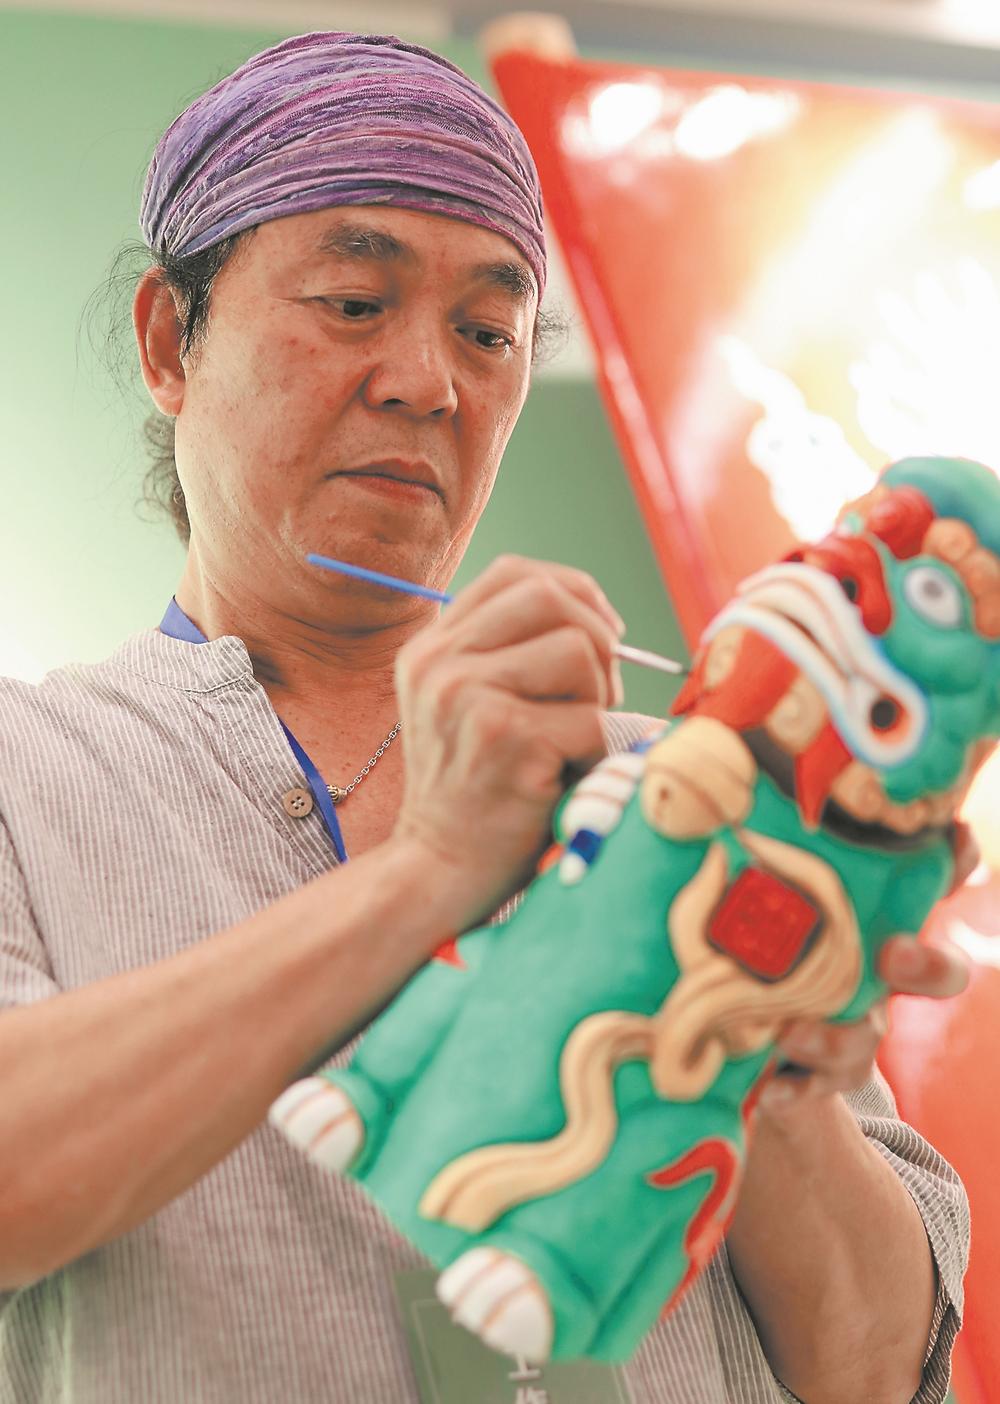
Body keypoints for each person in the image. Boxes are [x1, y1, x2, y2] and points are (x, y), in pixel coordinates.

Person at [0, 30, 969, 1404]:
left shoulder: (671, 794)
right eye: (353, 301)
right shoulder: (31, 773)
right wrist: (433, 873)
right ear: (171, 341)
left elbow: (874, 1370)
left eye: (488, 332)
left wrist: (752, 1043)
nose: (428, 382)